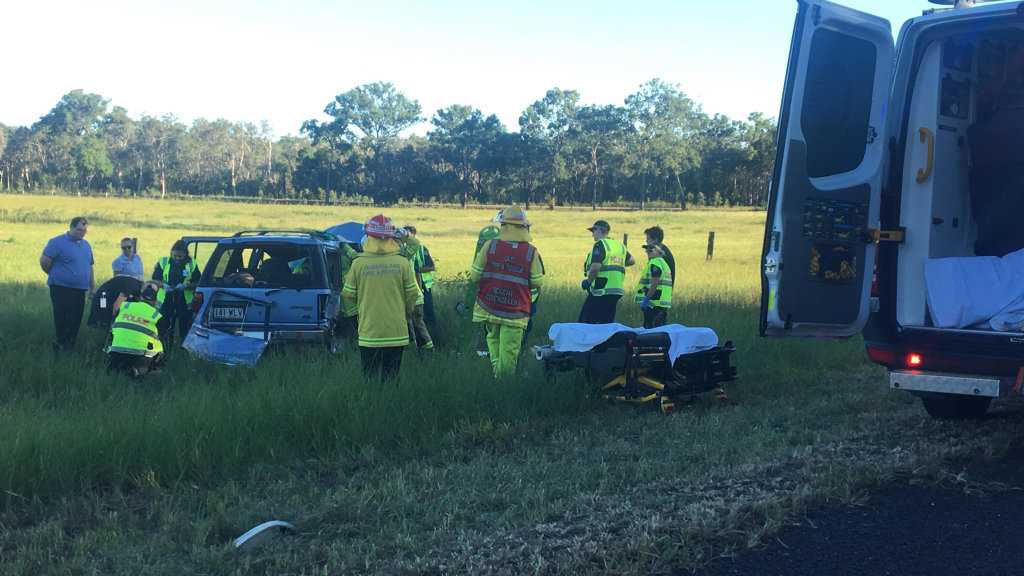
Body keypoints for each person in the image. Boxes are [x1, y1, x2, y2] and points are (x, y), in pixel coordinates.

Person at [342, 214, 421, 381]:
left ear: (368, 236)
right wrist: (406, 312)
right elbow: (413, 293)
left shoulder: (358, 264)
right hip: (396, 332)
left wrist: (362, 309)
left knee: (369, 379)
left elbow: (348, 294)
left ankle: (372, 405)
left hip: (369, 333)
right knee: (391, 378)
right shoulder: (402, 263)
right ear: (392, 237)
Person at [469, 206, 544, 378]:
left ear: (504, 225)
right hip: (515, 311)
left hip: (489, 306)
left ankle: (497, 378)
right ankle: (503, 384)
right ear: (523, 227)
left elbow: (474, 276)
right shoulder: (531, 252)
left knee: (493, 341)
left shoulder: (490, 246)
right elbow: (537, 282)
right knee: (509, 350)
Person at [40, 216, 95, 352]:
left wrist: (92, 286)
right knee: (62, 317)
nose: (82, 233)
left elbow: (90, 266)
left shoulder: (86, 245)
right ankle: (60, 343)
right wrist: (57, 275)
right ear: (71, 228)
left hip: (80, 289)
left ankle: (70, 345)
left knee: (76, 318)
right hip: (61, 288)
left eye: (84, 231)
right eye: (79, 230)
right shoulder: (56, 242)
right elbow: (45, 261)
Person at [578, 220, 634, 324]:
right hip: (616, 290)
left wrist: (588, 282)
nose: (592, 234)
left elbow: (595, 268)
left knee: (586, 322)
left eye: (593, 231)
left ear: (600, 230)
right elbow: (631, 261)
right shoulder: (619, 245)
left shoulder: (600, 244)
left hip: (601, 290)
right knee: (606, 323)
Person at [105, 282, 165, 378]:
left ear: (140, 297)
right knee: (159, 345)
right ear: (155, 301)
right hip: (140, 355)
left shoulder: (125, 306)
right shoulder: (156, 315)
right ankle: (146, 372)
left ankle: (119, 368)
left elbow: (113, 325)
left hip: (116, 351)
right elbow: (162, 334)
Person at [152, 240, 201, 347]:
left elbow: (199, 282)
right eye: (175, 256)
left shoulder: (192, 263)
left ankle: (183, 349)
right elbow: (154, 280)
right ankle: (163, 348)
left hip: (184, 301)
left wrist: (186, 286)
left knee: (184, 328)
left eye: (180, 256)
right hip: (166, 300)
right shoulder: (163, 262)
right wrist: (164, 286)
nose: (177, 259)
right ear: (171, 253)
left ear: (185, 255)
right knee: (163, 327)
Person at [397, 229, 434, 350]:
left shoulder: (397, 257)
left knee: (408, 325)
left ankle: (413, 350)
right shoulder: (407, 256)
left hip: (407, 298)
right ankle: (429, 348)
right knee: (419, 324)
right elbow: (417, 274)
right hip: (418, 295)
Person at [404, 225, 436, 326]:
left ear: (413, 235)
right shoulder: (402, 250)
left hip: (424, 286)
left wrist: (416, 270)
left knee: (428, 311)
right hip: (411, 284)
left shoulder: (422, 249)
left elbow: (431, 267)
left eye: (408, 235)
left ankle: (433, 331)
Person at [636, 243, 673, 328]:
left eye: (651, 250)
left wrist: (646, 299)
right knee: (660, 330)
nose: (647, 251)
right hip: (662, 303)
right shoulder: (664, 264)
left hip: (653, 303)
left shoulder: (655, 263)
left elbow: (654, 284)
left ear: (659, 252)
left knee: (650, 331)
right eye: (646, 249)